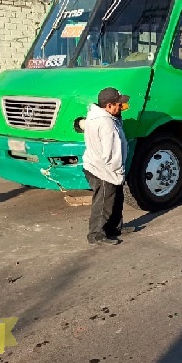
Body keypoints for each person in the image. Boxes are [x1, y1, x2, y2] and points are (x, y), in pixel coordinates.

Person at [82, 87, 129, 245]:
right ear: (108, 105)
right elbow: (111, 153)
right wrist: (117, 170)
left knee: (116, 198)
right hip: (104, 169)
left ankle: (114, 228)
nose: (121, 107)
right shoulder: (106, 124)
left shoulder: (97, 117)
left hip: (101, 166)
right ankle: (96, 234)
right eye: (118, 104)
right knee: (104, 202)